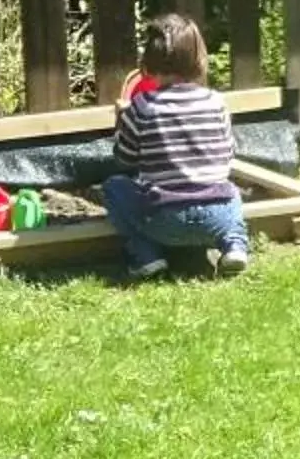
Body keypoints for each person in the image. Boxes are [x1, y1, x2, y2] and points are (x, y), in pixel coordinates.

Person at [103, 14, 251, 280]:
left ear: (147, 63)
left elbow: (124, 159)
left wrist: (122, 120)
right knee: (230, 187)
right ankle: (235, 244)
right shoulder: (216, 102)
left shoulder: (143, 106)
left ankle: (147, 256)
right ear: (199, 59)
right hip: (218, 217)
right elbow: (229, 154)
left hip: (164, 220)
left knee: (115, 187)